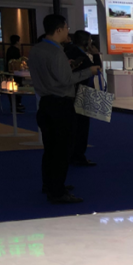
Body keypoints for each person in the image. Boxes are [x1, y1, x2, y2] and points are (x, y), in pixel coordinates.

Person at [28, 15, 99, 204]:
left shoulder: (36, 50)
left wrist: (68, 67)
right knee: (62, 150)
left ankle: (50, 184)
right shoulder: (56, 52)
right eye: (66, 28)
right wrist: (89, 71)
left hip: (45, 103)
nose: (68, 32)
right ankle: (57, 191)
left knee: (50, 148)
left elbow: (52, 74)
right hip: (61, 104)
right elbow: (66, 80)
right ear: (59, 29)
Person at [64, 30, 101, 166]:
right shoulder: (80, 55)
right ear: (86, 41)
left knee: (75, 126)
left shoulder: (69, 51)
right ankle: (78, 155)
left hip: (75, 91)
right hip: (82, 91)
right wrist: (96, 55)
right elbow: (97, 69)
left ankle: (74, 154)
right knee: (82, 127)